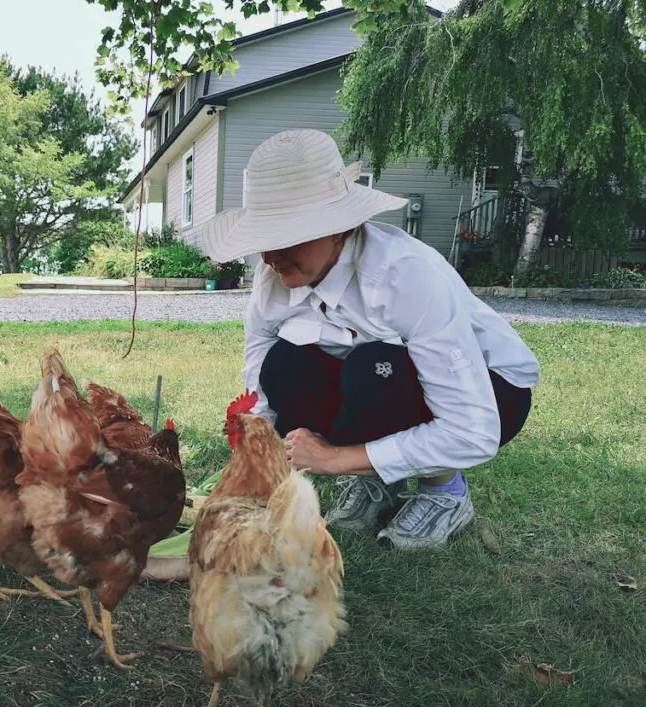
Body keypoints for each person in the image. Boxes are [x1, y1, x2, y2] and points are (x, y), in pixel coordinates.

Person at [201, 129, 540, 550]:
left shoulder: (402, 274)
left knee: (374, 368)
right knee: (285, 366)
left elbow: (472, 430)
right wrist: (255, 449)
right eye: (264, 241)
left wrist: (334, 459)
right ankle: (376, 477)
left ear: (339, 229)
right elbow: (260, 371)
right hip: (381, 374)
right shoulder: (272, 280)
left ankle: (445, 490)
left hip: (492, 391)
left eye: (288, 237)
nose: (270, 257)